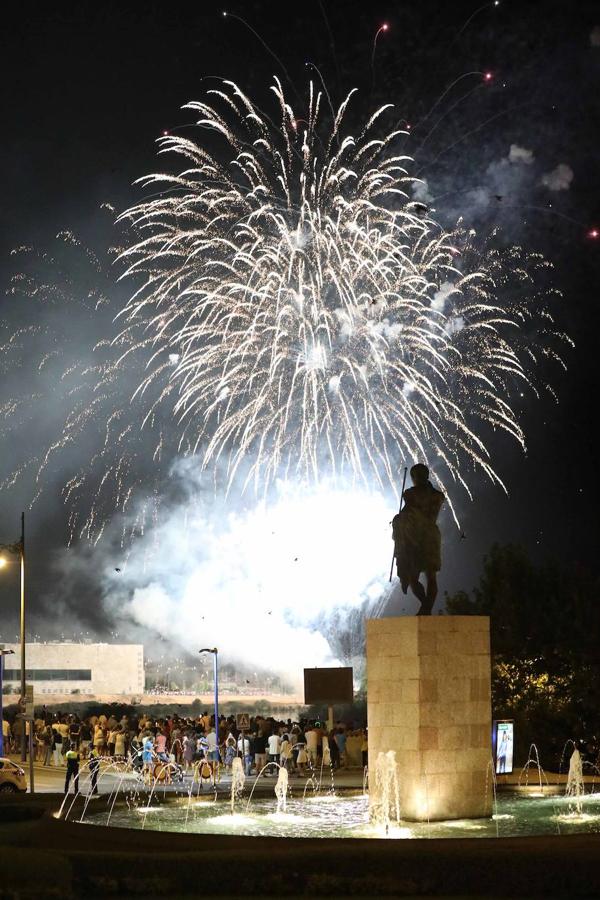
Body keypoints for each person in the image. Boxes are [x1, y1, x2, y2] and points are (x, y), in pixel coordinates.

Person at [392, 463, 445, 615]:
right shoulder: (438, 496)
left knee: (414, 577)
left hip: (417, 537)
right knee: (429, 576)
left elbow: (405, 514)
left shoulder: (410, 494)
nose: (415, 479)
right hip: (431, 535)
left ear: (415, 477)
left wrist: (397, 520)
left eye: (414, 476)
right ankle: (426, 608)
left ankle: (425, 608)